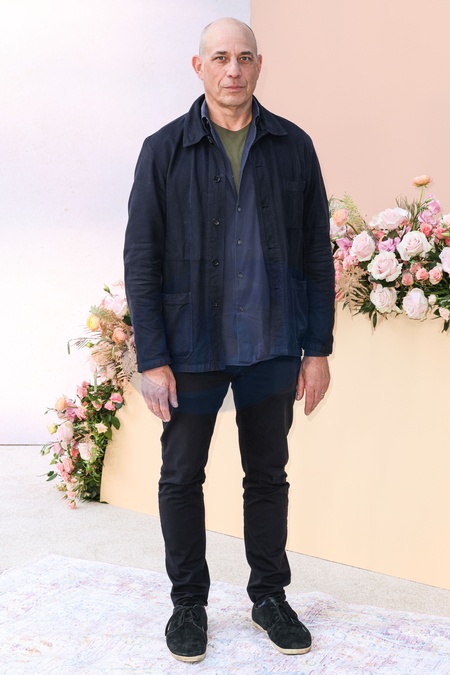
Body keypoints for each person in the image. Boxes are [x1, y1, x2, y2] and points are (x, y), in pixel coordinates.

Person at [124, 17, 335, 663]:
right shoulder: (163, 150)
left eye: (244, 57)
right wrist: (152, 357)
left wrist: (318, 348)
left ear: (259, 64)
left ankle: (269, 596)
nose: (233, 70)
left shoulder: (294, 147)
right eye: (220, 58)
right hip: (191, 345)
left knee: (267, 475)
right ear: (199, 67)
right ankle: (188, 603)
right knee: (181, 475)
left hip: (272, 342)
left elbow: (315, 253)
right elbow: (141, 258)